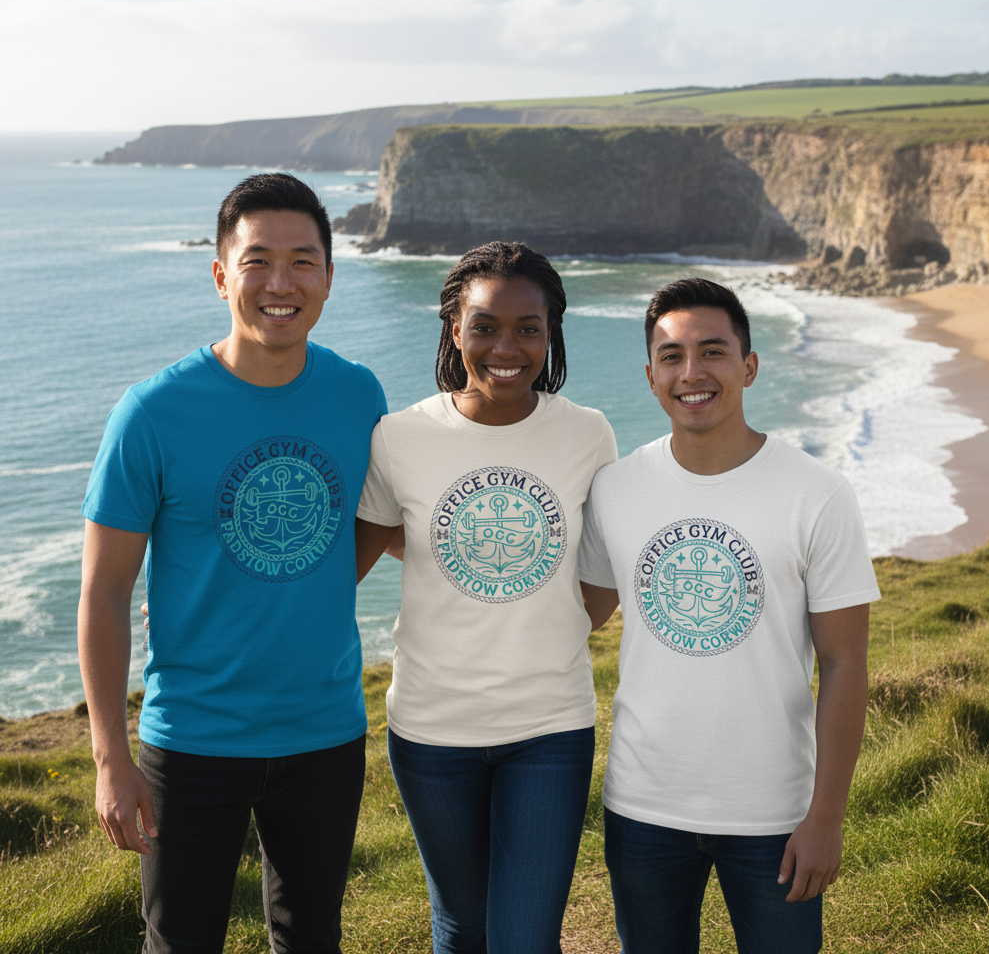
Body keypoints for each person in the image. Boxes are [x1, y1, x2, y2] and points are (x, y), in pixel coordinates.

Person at [78, 173, 386, 954]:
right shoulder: (151, 412)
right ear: (221, 276)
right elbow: (105, 591)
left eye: (303, 262)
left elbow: (378, 525)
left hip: (325, 732)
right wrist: (110, 759)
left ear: (328, 277)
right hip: (192, 738)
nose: (281, 283)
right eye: (258, 262)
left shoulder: (359, 396)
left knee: (311, 937)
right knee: (180, 942)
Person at [577, 277, 878, 954]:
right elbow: (576, 617)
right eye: (672, 356)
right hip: (643, 806)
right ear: (650, 375)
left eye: (712, 352)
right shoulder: (615, 489)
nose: (692, 373)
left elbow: (845, 662)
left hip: (776, 814)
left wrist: (826, 817)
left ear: (749, 366)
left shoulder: (817, 493)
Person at [354, 241, 617, 954]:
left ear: (551, 332)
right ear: (454, 330)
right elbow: (346, 564)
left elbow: (601, 567)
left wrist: (552, 630)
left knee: (525, 939)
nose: (507, 347)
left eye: (528, 328)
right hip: (431, 731)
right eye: (485, 326)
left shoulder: (588, 434)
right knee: (462, 927)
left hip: (550, 728)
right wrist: (204, 599)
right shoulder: (400, 437)